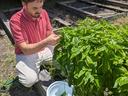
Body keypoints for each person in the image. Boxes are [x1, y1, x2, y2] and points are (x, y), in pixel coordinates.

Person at [10, 0, 60, 95]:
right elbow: (25, 50)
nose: (39, 11)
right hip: (27, 54)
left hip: (44, 48)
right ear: (24, 4)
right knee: (29, 80)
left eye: (41, 6)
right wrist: (47, 41)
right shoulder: (15, 20)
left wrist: (55, 38)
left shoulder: (43, 13)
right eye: (35, 8)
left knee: (62, 59)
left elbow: (49, 32)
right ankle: (29, 69)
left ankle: (42, 65)